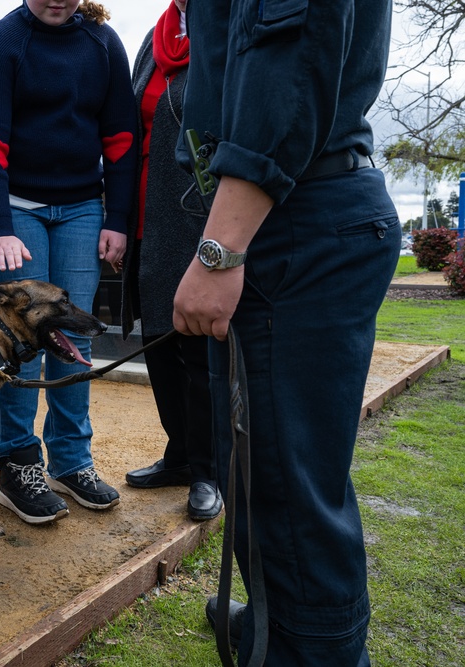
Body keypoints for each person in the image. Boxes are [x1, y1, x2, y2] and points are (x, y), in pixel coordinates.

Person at [173, 1, 400, 664]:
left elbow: (290, 62)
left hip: (291, 221)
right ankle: (282, 618)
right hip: (294, 211)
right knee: (272, 480)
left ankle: (307, 645)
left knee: (289, 498)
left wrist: (222, 247)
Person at [0, 0, 133, 524]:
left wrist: (119, 218)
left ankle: (71, 460)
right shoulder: (5, 41)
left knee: (74, 333)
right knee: (20, 337)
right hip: (15, 204)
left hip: (84, 205)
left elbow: (122, 137)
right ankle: (18, 464)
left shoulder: (102, 43)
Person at [121, 0, 222, 522]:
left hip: (202, 213)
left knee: (199, 351)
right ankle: (180, 455)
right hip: (149, 212)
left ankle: (210, 470)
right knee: (159, 342)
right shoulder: (156, 37)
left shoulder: (225, 26)